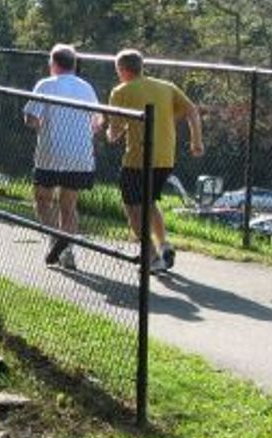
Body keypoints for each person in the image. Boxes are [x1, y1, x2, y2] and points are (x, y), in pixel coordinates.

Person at [106, 48, 204, 272]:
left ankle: (150, 256)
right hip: (165, 158)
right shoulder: (166, 87)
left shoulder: (121, 91)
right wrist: (196, 142)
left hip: (137, 159)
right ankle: (164, 245)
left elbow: (115, 131)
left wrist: (108, 131)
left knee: (132, 208)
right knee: (149, 203)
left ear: (121, 70)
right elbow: (192, 111)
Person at [22, 44, 100, 270]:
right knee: (69, 204)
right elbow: (98, 121)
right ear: (74, 65)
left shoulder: (46, 84)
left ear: (53, 64)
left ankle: (55, 239)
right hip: (80, 156)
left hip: (50, 154)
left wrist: (44, 124)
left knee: (42, 199)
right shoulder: (86, 87)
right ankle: (67, 250)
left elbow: (31, 118)